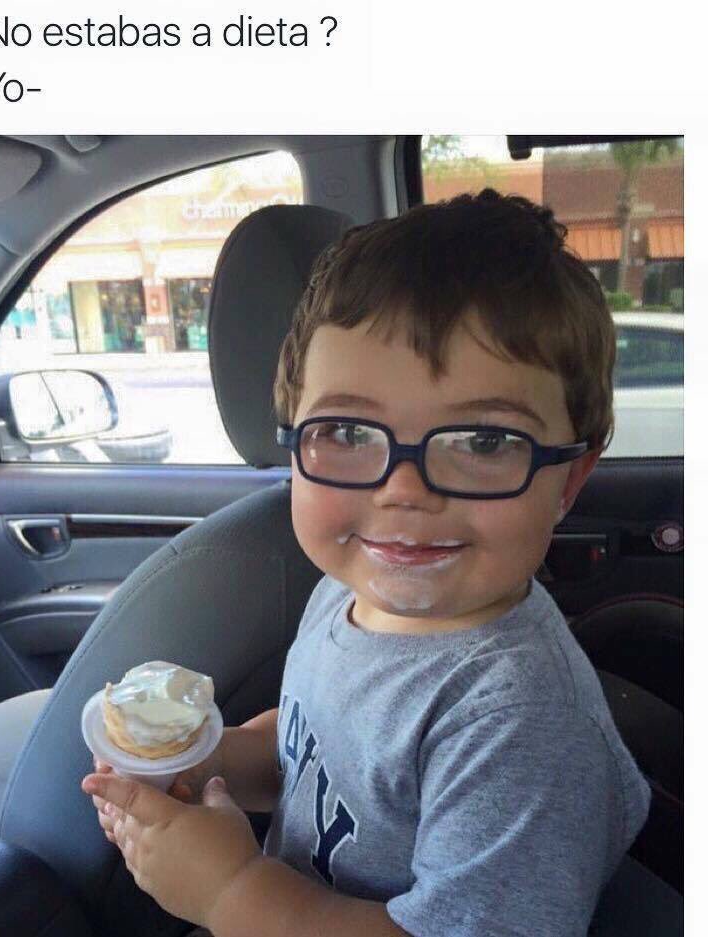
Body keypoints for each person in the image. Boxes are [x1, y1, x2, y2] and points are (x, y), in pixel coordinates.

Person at [82, 189, 651, 937]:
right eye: (348, 432)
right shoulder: (347, 591)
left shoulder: (521, 725)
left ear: (569, 480)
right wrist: (206, 759)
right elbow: (311, 746)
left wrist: (229, 892)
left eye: (484, 442)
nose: (404, 490)